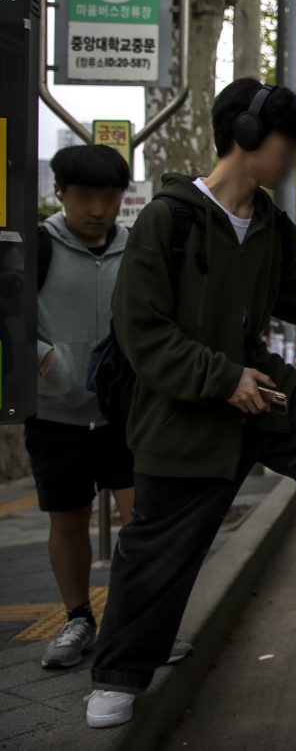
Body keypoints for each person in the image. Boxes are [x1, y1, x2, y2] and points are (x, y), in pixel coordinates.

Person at [84, 79, 296, 729]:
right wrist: (221, 377)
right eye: (290, 146)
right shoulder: (166, 220)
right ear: (249, 138)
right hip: (185, 410)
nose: (295, 161)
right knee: (161, 545)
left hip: (261, 391)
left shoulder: (269, 226)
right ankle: (117, 673)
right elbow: (142, 334)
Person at [27, 145, 135, 670]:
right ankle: (76, 618)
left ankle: (137, 623)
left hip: (124, 414)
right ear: (60, 193)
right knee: (68, 520)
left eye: (110, 198)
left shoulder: (135, 249)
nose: (98, 209)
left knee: (140, 519)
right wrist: (48, 364)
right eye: (85, 197)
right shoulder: (32, 247)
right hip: (54, 415)